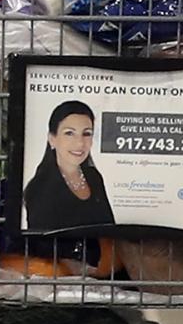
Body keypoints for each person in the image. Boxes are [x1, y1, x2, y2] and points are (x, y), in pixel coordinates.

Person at [22, 99, 115, 235]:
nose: (79, 143)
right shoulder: (39, 188)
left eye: (86, 133)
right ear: (52, 139)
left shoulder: (94, 177)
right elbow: (41, 246)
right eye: (69, 133)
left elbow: (111, 231)